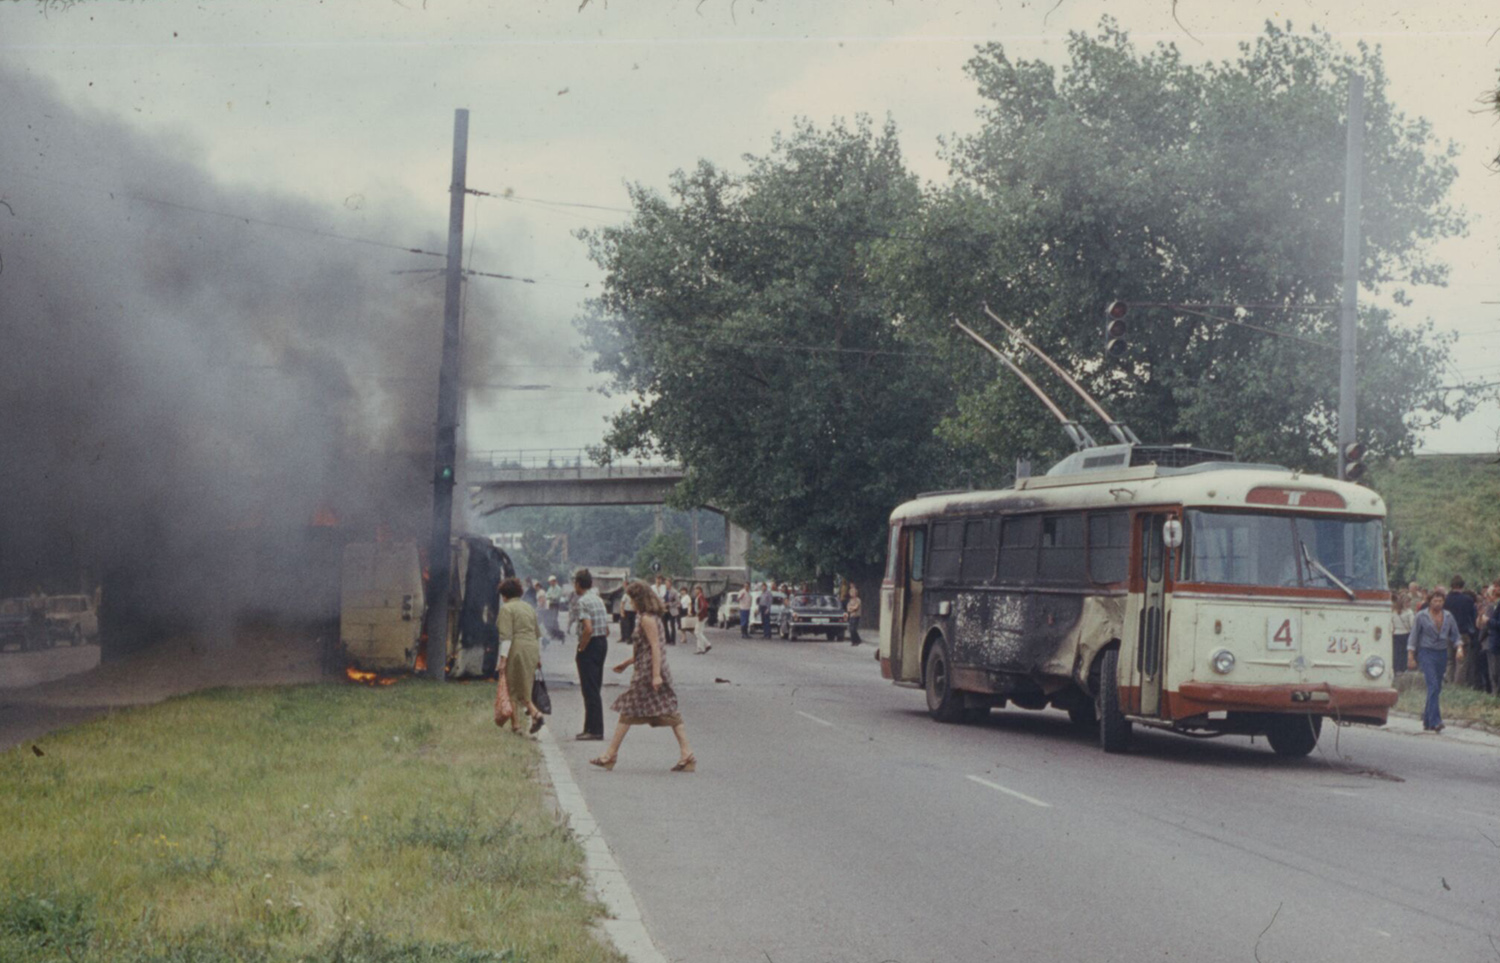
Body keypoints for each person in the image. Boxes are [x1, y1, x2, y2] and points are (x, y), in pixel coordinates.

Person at [589, 580, 696, 773]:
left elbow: (655, 647)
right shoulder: (650, 617)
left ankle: (610, 755)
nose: (630, 603)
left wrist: (655, 676)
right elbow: (646, 648)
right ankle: (687, 753)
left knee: (631, 710)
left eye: (631, 599)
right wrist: (628, 662)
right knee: (667, 710)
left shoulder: (647, 619)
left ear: (639, 599)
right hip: (648, 668)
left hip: (648, 672)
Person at [493, 578, 545, 736]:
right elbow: (538, 634)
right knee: (524, 684)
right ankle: (517, 724)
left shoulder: (506, 609)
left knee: (511, 686)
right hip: (532, 648)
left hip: (517, 649)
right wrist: (538, 657)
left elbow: (507, 637)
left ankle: (534, 715)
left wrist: (502, 660)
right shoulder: (528, 607)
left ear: (504, 595)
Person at [1408, 590, 1461, 732]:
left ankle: (1427, 719)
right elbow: (1413, 636)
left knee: (1437, 687)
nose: (1438, 604)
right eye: (1435, 601)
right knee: (1433, 685)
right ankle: (1436, 721)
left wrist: (1459, 648)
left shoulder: (1448, 616)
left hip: (1442, 653)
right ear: (1430, 601)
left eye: (1441, 601)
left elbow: (1455, 635)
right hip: (1426, 652)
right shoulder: (1421, 616)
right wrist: (1411, 655)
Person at [569, 568, 611, 742]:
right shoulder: (598, 600)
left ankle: (595, 730)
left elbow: (588, 628)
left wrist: (581, 648)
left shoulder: (582, 602)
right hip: (602, 643)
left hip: (591, 644)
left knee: (589, 689)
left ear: (578, 584)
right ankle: (590, 727)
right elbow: (606, 629)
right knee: (595, 686)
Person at [1443, 577, 1478, 687]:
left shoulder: (1446, 599)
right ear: (1462, 586)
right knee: (1461, 662)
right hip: (1463, 633)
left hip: (1448, 633)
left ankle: (1448, 682)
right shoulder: (1468, 600)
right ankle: (1458, 685)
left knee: (1450, 660)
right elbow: (1472, 617)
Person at [1390, 591, 1413, 677]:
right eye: (1408, 602)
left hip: (1395, 634)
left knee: (1396, 652)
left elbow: (1391, 623)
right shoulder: (1409, 612)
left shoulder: (1393, 611)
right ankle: (1403, 669)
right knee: (1404, 652)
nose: (1410, 603)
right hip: (1405, 634)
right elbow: (1412, 624)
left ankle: (1396, 668)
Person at [662, 577, 680, 646]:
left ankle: (673, 640)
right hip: (665, 609)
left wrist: (670, 604)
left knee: (672, 625)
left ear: (670, 584)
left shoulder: (674, 591)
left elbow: (677, 601)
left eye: (667, 583)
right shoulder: (664, 591)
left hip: (672, 609)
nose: (666, 584)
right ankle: (667, 639)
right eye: (665, 583)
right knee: (664, 624)